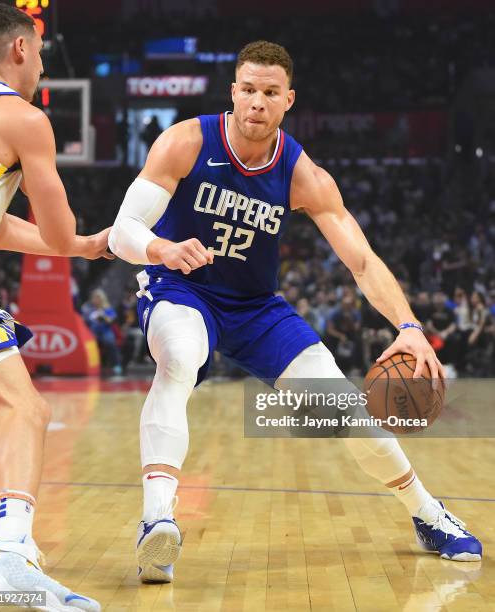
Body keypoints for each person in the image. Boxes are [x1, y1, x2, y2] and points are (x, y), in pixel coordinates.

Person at [108, 40, 482, 582]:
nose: (257, 102)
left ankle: (427, 513)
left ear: (288, 100)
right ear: (233, 92)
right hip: (183, 287)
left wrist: (410, 327)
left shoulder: (304, 173)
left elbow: (361, 259)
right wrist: (163, 249)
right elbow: (123, 231)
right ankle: (156, 522)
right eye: (249, 90)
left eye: (270, 93)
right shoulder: (186, 141)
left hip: (257, 307)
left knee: (342, 408)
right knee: (179, 359)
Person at [0, 5, 112, 609]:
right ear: (19, 51)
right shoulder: (22, 119)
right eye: (41, 51)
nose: (41, 63)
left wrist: (77, 249)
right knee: (22, 408)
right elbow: (54, 233)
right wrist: (81, 241)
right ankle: (8, 554)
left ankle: (9, 549)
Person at [82, 288, 122, 376]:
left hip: (105, 331)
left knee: (110, 342)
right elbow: (84, 319)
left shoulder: (107, 308)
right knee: (88, 344)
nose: (97, 300)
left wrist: (104, 316)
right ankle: (89, 366)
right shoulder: (88, 308)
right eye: (95, 298)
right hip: (92, 332)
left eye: (99, 298)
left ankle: (116, 365)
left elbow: (112, 320)